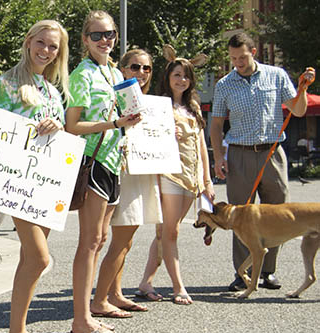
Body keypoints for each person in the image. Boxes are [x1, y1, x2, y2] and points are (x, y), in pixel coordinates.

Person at [0, 19, 70, 333]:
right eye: (42, 43)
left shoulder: (52, 89)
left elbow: (60, 134)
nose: (46, 51)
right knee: (39, 258)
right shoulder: (7, 83)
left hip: (46, 182)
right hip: (18, 182)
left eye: (53, 47)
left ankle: (20, 330)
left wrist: (58, 125)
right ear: (28, 41)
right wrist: (32, 127)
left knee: (28, 260)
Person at [210, 32, 315, 292]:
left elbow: (299, 110)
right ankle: (241, 273)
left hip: (272, 152)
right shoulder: (225, 84)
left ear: (253, 52)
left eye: (242, 57)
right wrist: (218, 156)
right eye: (233, 58)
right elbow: (216, 123)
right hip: (239, 154)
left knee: (278, 213)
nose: (238, 63)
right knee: (238, 216)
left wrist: (303, 87)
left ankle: (267, 272)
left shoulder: (277, 75)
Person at [65, 10, 141, 333]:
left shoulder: (112, 72)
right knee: (90, 240)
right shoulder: (82, 74)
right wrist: (113, 124)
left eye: (109, 34)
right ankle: (81, 320)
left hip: (113, 160)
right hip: (92, 161)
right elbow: (72, 126)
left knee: (102, 237)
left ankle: (96, 305)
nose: (104, 40)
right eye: (97, 35)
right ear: (85, 40)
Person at [135, 53, 215, 305]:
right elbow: (146, 135)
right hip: (169, 173)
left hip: (192, 177)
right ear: (167, 77)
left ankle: (146, 281)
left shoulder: (193, 107)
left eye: (186, 76)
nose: (182, 80)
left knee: (164, 232)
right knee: (171, 231)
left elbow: (202, 146)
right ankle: (178, 286)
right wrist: (168, 133)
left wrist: (207, 179)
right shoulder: (159, 106)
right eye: (177, 75)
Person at [90, 48, 162, 316]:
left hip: (142, 171)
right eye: (134, 67)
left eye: (146, 68)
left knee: (125, 240)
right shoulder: (117, 97)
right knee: (113, 239)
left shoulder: (151, 103)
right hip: (121, 170)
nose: (141, 73)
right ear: (122, 69)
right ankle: (100, 301)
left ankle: (114, 293)